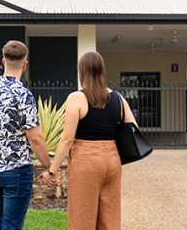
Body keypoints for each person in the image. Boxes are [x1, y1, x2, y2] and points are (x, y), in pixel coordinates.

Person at [41, 51, 138, 230]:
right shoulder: (118, 98)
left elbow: (67, 139)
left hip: (86, 161)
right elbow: (133, 128)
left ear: (82, 71)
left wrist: (52, 171)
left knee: (82, 218)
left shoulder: (77, 98)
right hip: (112, 159)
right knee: (110, 218)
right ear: (102, 70)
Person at [0, 40, 51, 230]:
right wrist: (49, 166)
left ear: (3, 61)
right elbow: (35, 137)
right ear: (25, 65)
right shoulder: (23, 95)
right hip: (16, 171)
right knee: (11, 226)